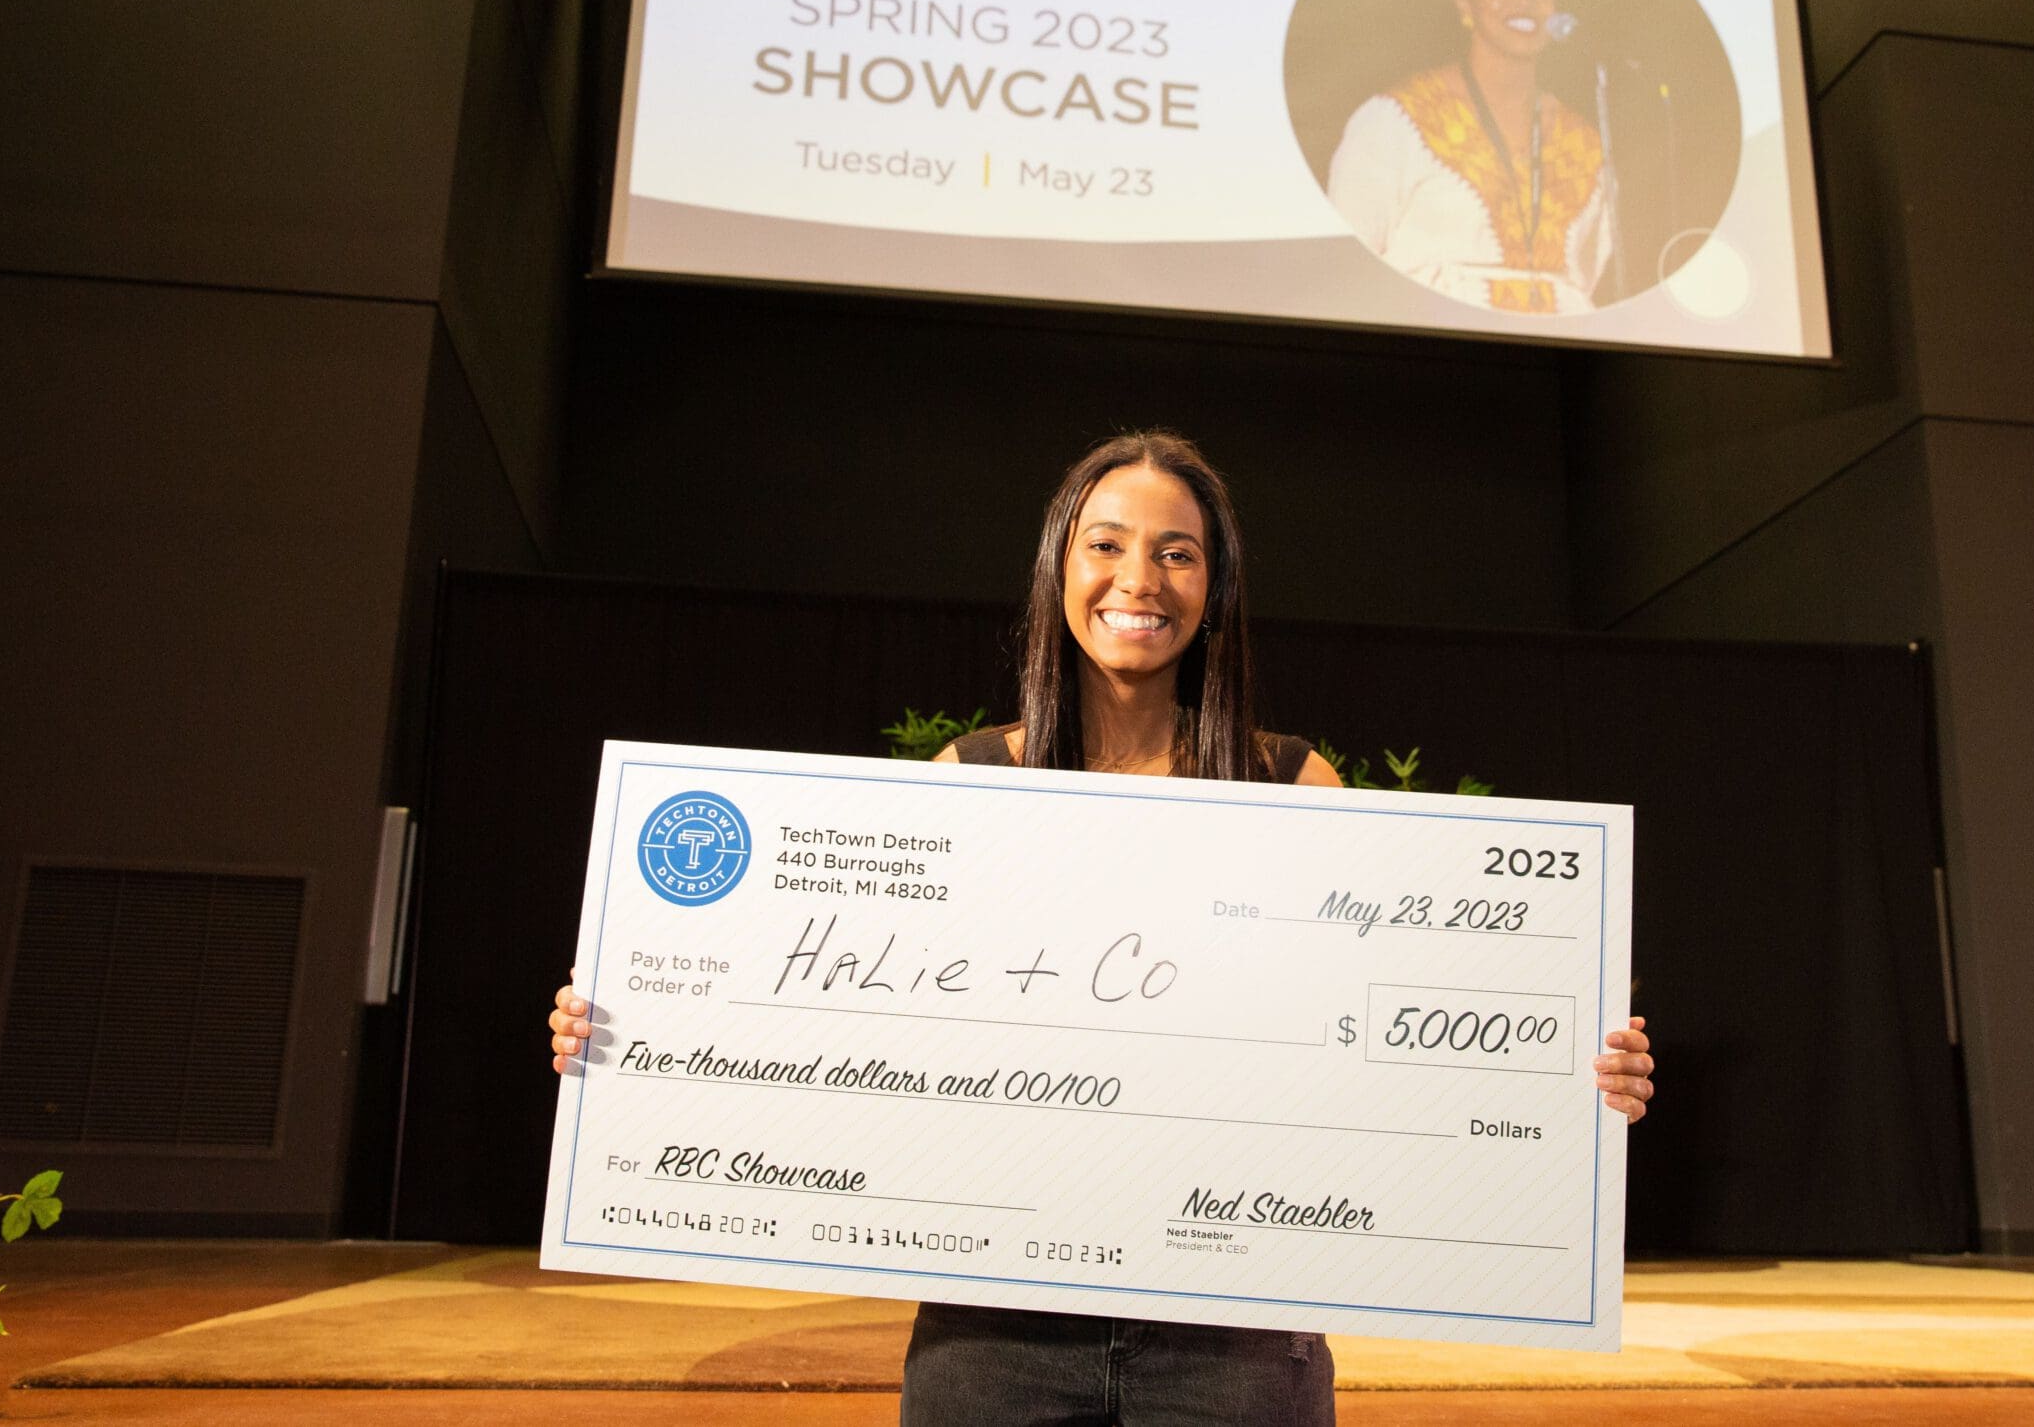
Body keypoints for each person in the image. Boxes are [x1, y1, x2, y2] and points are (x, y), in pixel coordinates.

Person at [547, 430, 1658, 1424]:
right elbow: (853, 1020)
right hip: (997, 1340)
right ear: (1058, 569)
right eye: (1107, 545)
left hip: (1234, 1342)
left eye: (1177, 553)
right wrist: (646, 1032)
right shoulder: (971, 776)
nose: (1140, 579)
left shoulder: (1291, 783)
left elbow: (1393, 1038)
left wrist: (1567, 1074)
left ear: (1215, 588)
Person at [1325, 0, 1619, 316]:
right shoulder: (1395, 121)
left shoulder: (1585, 142)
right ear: (1464, 4)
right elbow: (1344, 271)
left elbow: (1589, 274)